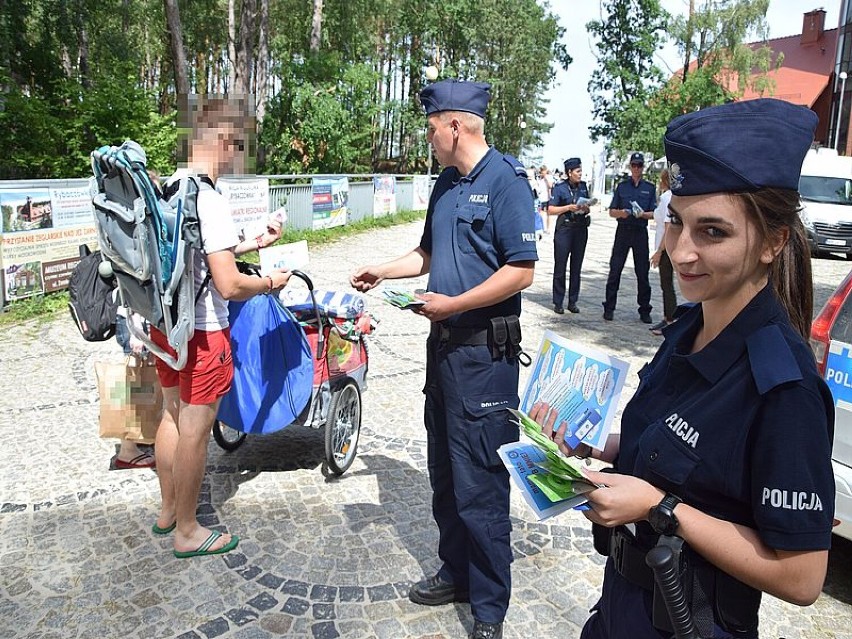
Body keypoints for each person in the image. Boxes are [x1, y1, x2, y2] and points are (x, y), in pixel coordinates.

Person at [532, 98, 835, 639]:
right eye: (676, 222)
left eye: (713, 232)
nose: (681, 251)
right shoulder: (685, 331)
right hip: (621, 608)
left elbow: (802, 576)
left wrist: (658, 508)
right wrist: (603, 447)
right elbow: (679, 449)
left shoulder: (783, 385)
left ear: (773, 241)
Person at [350, 78, 537, 639]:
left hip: (486, 357)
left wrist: (453, 303)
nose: (428, 138)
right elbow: (429, 252)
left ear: (456, 125)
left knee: (481, 482)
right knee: (446, 476)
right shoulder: (446, 184)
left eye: (432, 128)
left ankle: (488, 609)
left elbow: (521, 270)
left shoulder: (507, 182)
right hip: (445, 355)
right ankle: (455, 573)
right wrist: (385, 268)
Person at [151, 94, 290, 558]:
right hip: (204, 331)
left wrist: (254, 241)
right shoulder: (208, 198)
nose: (238, 159)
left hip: (167, 326)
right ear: (225, 140)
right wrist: (271, 281)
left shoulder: (170, 187)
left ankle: (169, 510)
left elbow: (196, 258)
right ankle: (188, 531)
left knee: (170, 415)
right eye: (240, 146)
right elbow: (228, 285)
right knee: (195, 425)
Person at [602, 152, 656, 323]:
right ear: (630, 167)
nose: (636, 169)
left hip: (640, 231)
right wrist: (622, 213)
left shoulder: (649, 187)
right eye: (634, 165)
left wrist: (643, 214)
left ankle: (644, 309)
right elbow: (611, 211)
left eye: (639, 165)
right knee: (615, 270)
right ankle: (609, 307)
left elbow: (654, 213)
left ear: (643, 167)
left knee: (642, 272)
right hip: (623, 230)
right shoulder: (622, 187)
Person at [549, 157, 592, 314]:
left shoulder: (583, 186)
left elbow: (587, 205)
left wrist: (586, 208)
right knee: (560, 267)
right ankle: (558, 301)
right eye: (577, 171)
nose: (580, 174)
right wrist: (568, 207)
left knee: (576, 267)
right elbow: (551, 209)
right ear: (569, 172)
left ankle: (573, 301)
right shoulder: (560, 188)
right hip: (565, 230)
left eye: (581, 171)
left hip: (580, 229)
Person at [648, 168, 676, 335]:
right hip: (666, 245)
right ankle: (668, 316)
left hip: (665, 247)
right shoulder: (670, 197)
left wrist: (659, 251)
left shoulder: (666, 198)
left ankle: (670, 318)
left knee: (666, 284)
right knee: (666, 284)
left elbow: (668, 227)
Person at [537, 165, 553, 233]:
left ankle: (548, 228)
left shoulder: (549, 177)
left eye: (544, 171)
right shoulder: (538, 178)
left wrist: (546, 179)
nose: (543, 173)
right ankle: (542, 227)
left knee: (548, 213)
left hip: (547, 197)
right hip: (540, 198)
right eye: (542, 171)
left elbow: (550, 186)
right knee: (540, 213)